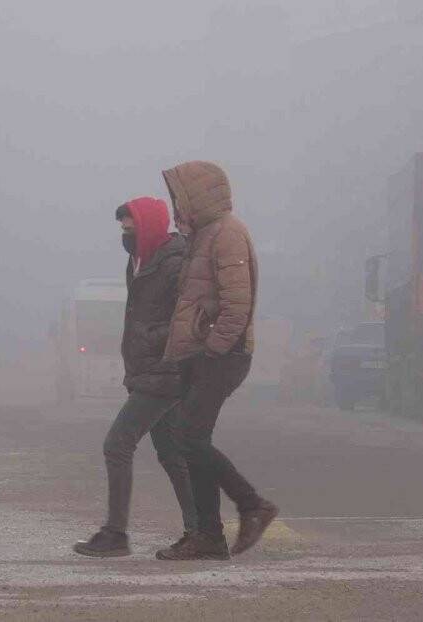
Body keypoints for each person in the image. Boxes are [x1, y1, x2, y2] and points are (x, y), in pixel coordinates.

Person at [155, 161, 279, 561]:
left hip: (221, 357)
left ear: (197, 194)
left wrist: (213, 349)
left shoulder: (227, 233)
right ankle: (208, 536)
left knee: (188, 437)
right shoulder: (203, 235)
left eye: (178, 195)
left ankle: (251, 505)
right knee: (192, 441)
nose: (175, 203)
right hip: (201, 355)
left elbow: (236, 305)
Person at [73, 196, 197, 557]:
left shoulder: (174, 264)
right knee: (172, 453)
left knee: (118, 444)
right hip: (150, 370)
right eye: (123, 229)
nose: (125, 235)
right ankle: (201, 531)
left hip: (165, 372)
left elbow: (185, 320)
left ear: (149, 228)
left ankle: (115, 534)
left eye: (130, 229)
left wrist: (149, 339)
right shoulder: (140, 261)